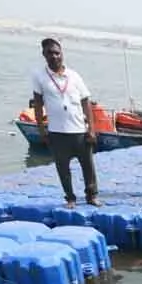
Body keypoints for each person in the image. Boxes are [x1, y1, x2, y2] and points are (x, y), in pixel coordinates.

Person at [31, 38, 99, 209]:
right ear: (44, 55)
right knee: (63, 168)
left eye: (57, 52)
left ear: (62, 54)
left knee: (88, 166)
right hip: (57, 131)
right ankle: (70, 197)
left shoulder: (74, 76)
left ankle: (91, 195)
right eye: (50, 53)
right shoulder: (40, 77)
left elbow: (86, 101)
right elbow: (38, 104)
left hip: (79, 130)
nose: (54, 56)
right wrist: (41, 129)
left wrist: (91, 128)